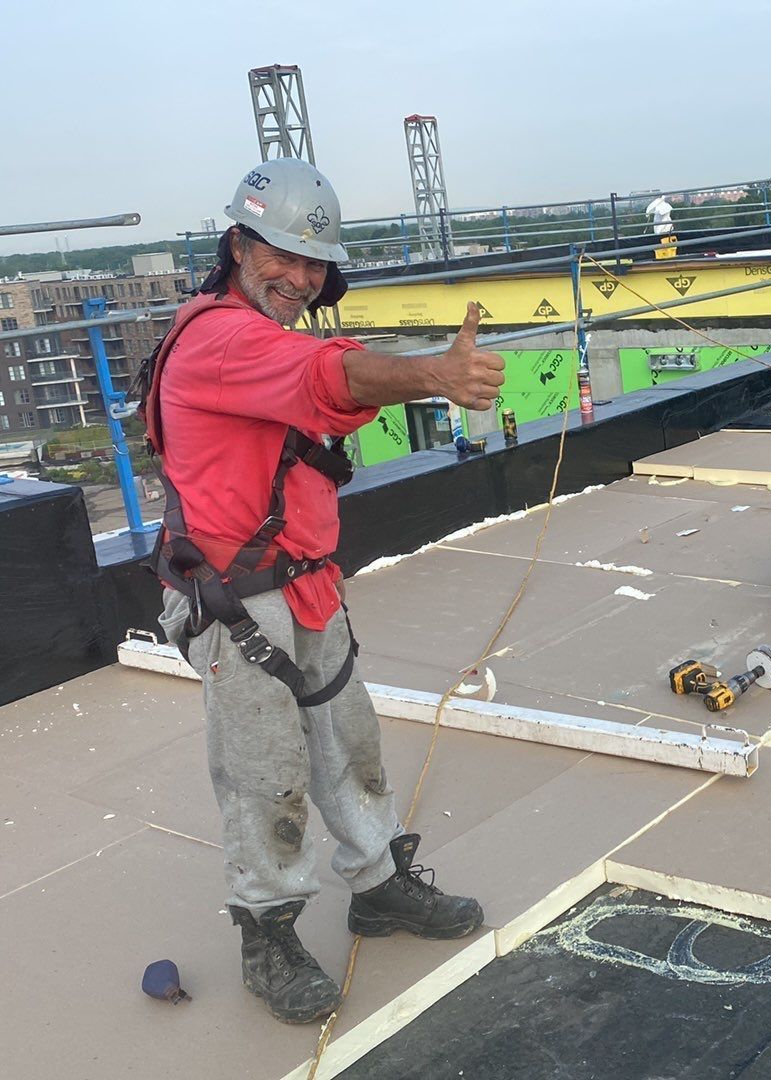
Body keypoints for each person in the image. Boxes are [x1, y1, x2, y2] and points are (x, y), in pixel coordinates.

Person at [150, 158, 505, 1025]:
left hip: (306, 584)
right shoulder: (217, 340)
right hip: (239, 600)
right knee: (265, 774)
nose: (300, 278)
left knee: (350, 747)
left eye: (314, 266)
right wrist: (433, 374)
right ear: (238, 245)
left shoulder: (271, 341)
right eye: (283, 255)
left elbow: (321, 383)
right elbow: (328, 376)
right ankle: (266, 933)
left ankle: (379, 885)